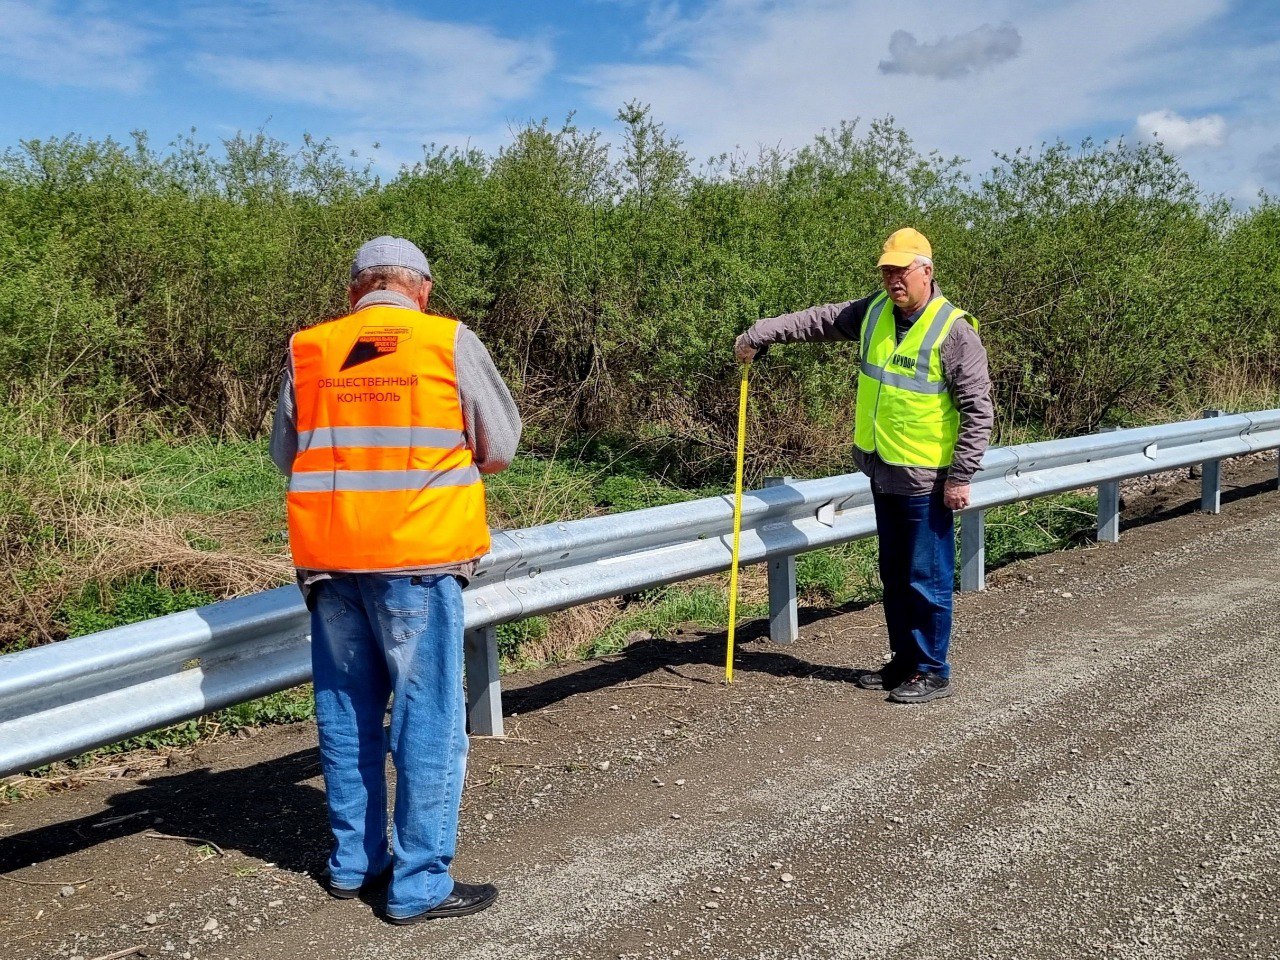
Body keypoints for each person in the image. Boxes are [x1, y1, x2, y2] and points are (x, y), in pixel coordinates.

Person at [270, 236, 521, 922]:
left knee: (347, 714)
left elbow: (285, 454)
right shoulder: (446, 340)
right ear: (422, 289)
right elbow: (499, 446)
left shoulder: (311, 348)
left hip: (329, 562)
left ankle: (355, 864)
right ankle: (418, 886)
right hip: (418, 561)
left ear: (354, 290)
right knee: (429, 719)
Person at [734, 228, 992, 704]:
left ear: (926, 272)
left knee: (925, 576)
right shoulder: (874, 312)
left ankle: (932, 670)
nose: (894, 280)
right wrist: (760, 333)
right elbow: (817, 320)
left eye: (902, 271)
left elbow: (978, 409)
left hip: (926, 480)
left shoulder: (954, 331)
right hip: (882, 470)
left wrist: (961, 475)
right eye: (887, 271)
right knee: (894, 573)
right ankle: (903, 663)